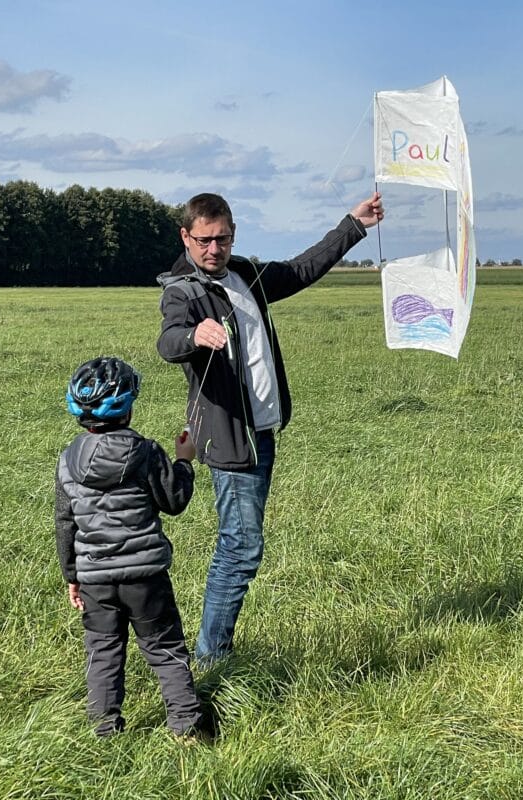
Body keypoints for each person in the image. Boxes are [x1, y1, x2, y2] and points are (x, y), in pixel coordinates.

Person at [156, 192, 384, 664]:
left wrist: (353, 225)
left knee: (239, 544)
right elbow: (168, 339)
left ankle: (211, 652)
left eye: (221, 238)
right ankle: (210, 658)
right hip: (229, 435)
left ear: (232, 235)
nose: (213, 249)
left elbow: (302, 269)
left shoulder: (246, 275)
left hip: (261, 431)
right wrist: (194, 336)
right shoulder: (183, 290)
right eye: (203, 240)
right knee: (240, 547)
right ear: (186, 237)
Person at [54, 356, 203, 738]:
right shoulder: (145, 452)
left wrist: (73, 576)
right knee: (165, 649)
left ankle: (105, 733)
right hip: (145, 575)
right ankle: (187, 730)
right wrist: (184, 462)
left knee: (102, 652)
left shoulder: (67, 460)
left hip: (95, 578)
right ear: (128, 406)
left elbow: (65, 524)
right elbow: (175, 501)